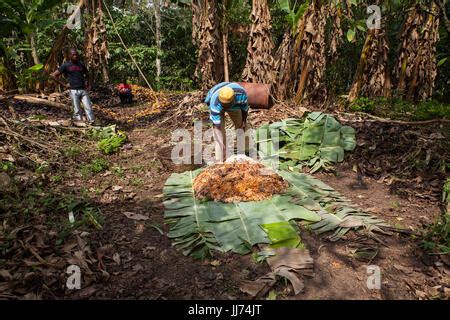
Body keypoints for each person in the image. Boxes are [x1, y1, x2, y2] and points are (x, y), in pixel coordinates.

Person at [205, 82, 249, 162]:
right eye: (224, 105)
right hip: (217, 104)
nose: (226, 107)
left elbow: (244, 110)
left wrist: (244, 122)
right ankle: (220, 160)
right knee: (219, 135)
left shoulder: (241, 95)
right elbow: (217, 127)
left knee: (242, 127)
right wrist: (222, 147)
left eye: (227, 105)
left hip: (235, 106)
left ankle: (245, 152)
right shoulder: (215, 102)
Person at [51, 48, 95, 124]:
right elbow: (53, 75)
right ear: (69, 55)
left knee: (88, 107)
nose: (75, 56)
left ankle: (92, 122)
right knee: (76, 109)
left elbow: (88, 74)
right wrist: (64, 84)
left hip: (83, 89)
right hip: (73, 90)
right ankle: (80, 123)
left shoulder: (81, 64)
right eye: (73, 54)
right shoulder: (66, 65)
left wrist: (89, 85)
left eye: (76, 54)